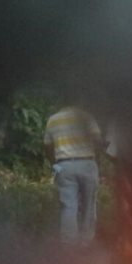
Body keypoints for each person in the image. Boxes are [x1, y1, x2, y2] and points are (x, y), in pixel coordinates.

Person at [44, 105, 104, 245]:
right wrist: (98, 160)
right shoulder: (86, 116)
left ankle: (69, 246)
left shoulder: (53, 120)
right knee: (88, 205)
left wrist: (54, 164)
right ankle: (86, 243)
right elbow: (98, 141)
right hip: (87, 163)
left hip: (64, 166)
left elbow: (47, 145)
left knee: (68, 206)